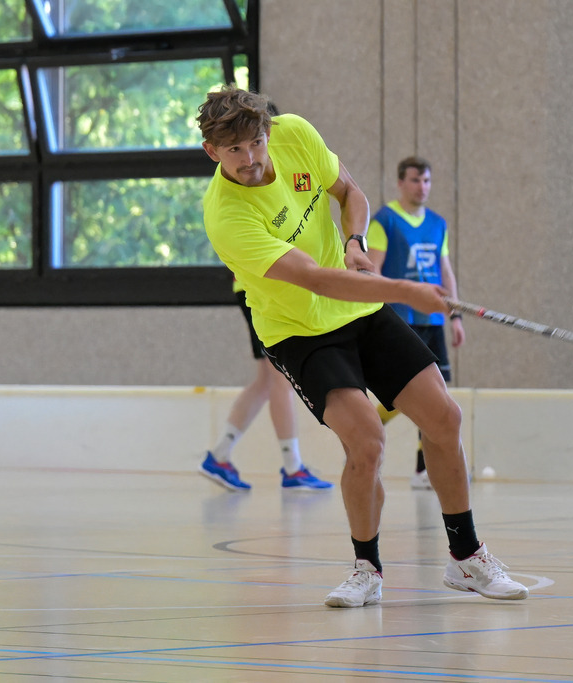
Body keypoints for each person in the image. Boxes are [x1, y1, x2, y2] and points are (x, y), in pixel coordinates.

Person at [196, 85, 528, 607]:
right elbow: (316, 281)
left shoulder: (295, 134)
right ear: (212, 152)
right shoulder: (226, 216)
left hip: (360, 307)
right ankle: (366, 568)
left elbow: (351, 193)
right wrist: (407, 290)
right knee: (368, 440)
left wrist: (353, 242)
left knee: (444, 417)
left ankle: (466, 559)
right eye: (234, 151)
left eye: (256, 143)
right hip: (299, 330)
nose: (252, 159)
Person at [367, 156, 465, 491]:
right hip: (401, 318)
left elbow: (445, 270)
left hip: (433, 318)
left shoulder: (438, 223)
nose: (421, 187)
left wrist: (456, 315)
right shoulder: (385, 221)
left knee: (439, 394)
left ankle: (422, 469)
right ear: (400, 183)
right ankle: (374, 419)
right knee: (413, 393)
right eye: (414, 181)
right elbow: (372, 272)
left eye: (426, 181)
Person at [198, 278, 334, 492]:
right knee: (281, 379)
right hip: (260, 287)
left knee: (265, 382)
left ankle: (220, 455)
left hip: (256, 285)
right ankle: (293, 468)